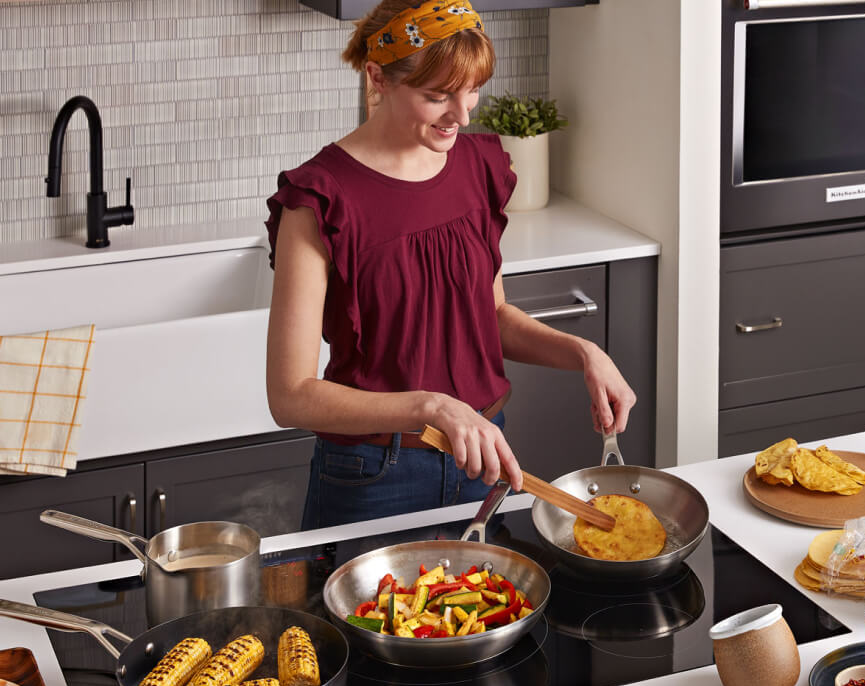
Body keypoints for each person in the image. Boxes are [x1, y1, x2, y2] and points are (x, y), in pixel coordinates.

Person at [265, 0, 636, 530]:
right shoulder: (321, 198)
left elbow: (493, 317)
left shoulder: (478, 168)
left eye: (471, 91)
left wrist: (582, 352)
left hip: (484, 459)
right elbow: (290, 396)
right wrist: (430, 408)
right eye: (437, 96)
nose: (461, 116)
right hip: (373, 475)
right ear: (377, 77)